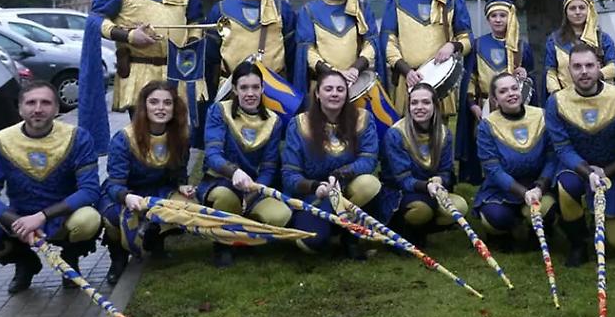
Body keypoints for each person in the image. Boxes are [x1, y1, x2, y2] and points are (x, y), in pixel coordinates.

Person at [0, 81, 101, 294]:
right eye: (31, 102)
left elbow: (90, 190)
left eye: (45, 102)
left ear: (56, 109)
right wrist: (18, 222)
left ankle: (70, 260)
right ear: (20, 108)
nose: (38, 108)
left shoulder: (77, 137)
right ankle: (26, 261)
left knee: (88, 220)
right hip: (19, 214)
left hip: (64, 214)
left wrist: (42, 216)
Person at [80, 0, 203, 154]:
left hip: (178, 72)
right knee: (142, 138)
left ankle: (177, 183)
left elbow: (195, 21)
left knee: (178, 136)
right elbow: (95, 21)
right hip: (139, 72)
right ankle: (139, 186)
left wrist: (192, 41)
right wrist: (128, 35)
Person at [546, 43, 615, 266]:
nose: (583, 71)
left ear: (599, 66)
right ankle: (577, 242)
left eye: (589, 65)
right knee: (565, 185)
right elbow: (562, 147)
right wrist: (587, 171)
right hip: (576, 167)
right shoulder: (557, 103)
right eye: (577, 66)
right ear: (569, 70)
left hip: (613, 168)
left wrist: (607, 171)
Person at [100, 81, 196, 283]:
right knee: (113, 217)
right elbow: (114, 183)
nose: (161, 108)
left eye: (167, 103)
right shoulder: (124, 138)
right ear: (144, 106)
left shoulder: (180, 135)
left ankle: (156, 242)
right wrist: (126, 197)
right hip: (125, 193)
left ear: (174, 107)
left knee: (189, 207)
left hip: (158, 191)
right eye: (154, 102)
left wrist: (181, 184)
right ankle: (117, 257)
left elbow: (178, 170)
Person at [199, 62, 292, 267]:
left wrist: (254, 190)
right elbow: (213, 154)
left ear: (262, 89)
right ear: (234, 89)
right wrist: (234, 172)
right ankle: (223, 244)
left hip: (255, 187)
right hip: (221, 182)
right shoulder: (218, 111)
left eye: (255, 87)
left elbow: (269, 165)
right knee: (225, 197)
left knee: (281, 214)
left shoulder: (273, 121)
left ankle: (246, 234)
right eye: (244, 88)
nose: (250, 93)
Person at [282, 69, 382, 258]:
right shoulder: (298, 125)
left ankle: (349, 237)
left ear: (347, 94)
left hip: (348, 190)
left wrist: (340, 174)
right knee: (311, 242)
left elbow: (368, 159)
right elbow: (289, 174)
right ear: (318, 94)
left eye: (340, 89)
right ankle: (333, 226)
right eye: (328, 89)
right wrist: (316, 186)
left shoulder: (363, 119)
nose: (334, 94)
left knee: (370, 183)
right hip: (315, 195)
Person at [379, 0, 473, 115]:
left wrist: (452, 46)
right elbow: (388, 41)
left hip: (442, 78)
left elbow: (467, 39)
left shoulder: (452, 0)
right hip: (408, 77)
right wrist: (406, 71)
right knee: (406, 136)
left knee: (440, 136)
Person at [472, 72, 556, 252]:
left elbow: (552, 158)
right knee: (496, 217)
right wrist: (523, 193)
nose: (511, 93)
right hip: (502, 189)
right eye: (503, 91)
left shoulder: (542, 116)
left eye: (514, 88)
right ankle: (506, 231)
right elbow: (493, 169)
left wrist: (540, 188)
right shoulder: (487, 126)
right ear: (495, 100)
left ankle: (537, 232)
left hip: (537, 186)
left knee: (546, 211)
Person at [456, 0, 536, 184]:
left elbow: (529, 75)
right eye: (493, 16)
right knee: (485, 139)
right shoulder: (477, 45)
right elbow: (471, 77)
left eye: (503, 15)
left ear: (510, 18)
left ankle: (512, 171)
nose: (498, 19)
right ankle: (483, 175)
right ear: (488, 19)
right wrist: (471, 104)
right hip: (485, 103)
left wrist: (524, 72)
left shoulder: (521, 46)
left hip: (513, 103)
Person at [378, 83, 469, 247]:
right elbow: (401, 179)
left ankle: (422, 230)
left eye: (426, 102)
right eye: (414, 103)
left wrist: (440, 180)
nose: (419, 107)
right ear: (408, 106)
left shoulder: (444, 134)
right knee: (421, 209)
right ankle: (400, 229)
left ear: (435, 106)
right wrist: (426, 186)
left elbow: (446, 170)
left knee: (460, 206)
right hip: (400, 192)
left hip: (431, 191)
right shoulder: (396, 134)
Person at [206, 0, 297, 95]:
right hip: (231, 91)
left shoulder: (282, 10)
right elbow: (210, 59)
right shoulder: (220, 10)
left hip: (275, 91)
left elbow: (293, 57)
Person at [292, 0, 377, 97]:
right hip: (321, 87)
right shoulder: (308, 11)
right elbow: (307, 50)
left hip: (355, 85)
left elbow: (371, 43)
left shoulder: (361, 10)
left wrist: (355, 69)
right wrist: (333, 73)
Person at [543, 0, 615, 99]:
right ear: (566, 12)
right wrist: (557, 96)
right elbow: (551, 72)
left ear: (589, 10)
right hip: (568, 100)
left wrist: (595, 75)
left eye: (582, 8)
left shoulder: (602, 38)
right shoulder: (554, 41)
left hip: (601, 98)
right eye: (572, 8)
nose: (577, 12)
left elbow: (614, 66)